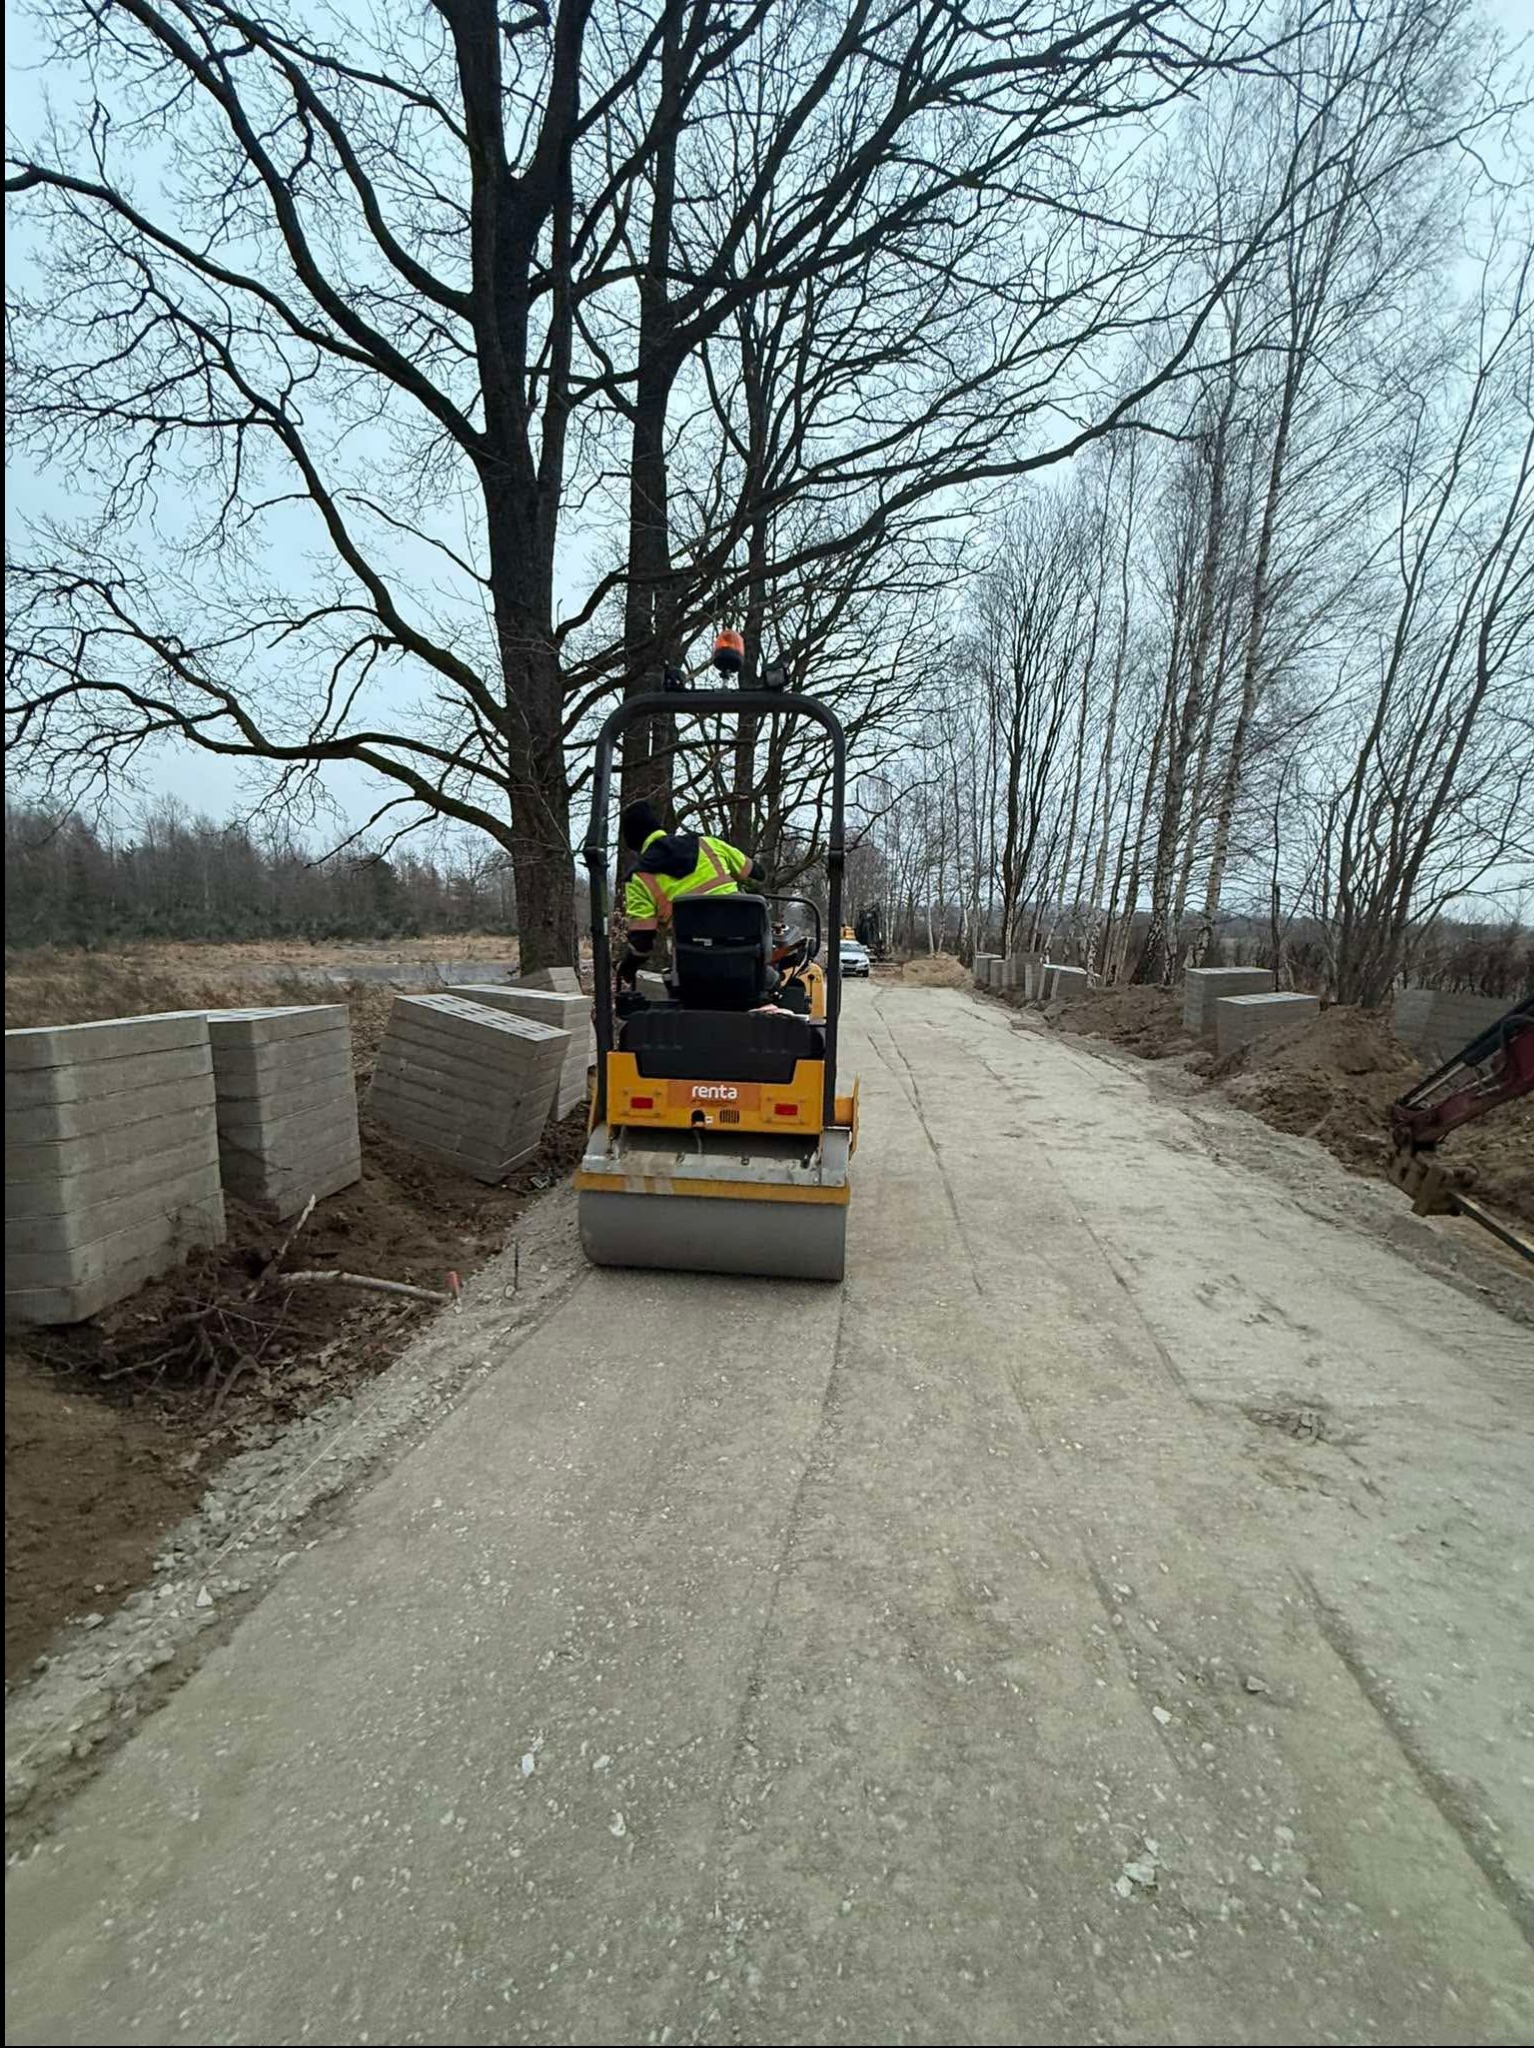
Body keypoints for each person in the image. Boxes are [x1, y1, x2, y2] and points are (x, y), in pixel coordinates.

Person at [614, 799, 767, 987]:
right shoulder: (709, 844)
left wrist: (626, 968)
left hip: (694, 972)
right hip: (746, 960)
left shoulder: (638, 877)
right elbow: (758, 873)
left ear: (633, 843)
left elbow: (641, 942)